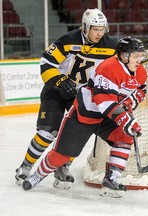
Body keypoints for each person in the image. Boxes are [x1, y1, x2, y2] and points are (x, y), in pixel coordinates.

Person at [21, 36, 147, 198]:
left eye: (140, 56)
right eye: (135, 56)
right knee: (62, 155)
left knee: (124, 137)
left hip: (107, 116)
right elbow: (102, 99)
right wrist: (124, 118)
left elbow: (141, 88)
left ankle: (111, 180)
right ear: (123, 56)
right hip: (85, 113)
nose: (139, 60)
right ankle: (37, 175)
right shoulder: (108, 68)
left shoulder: (140, 71)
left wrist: (130, 101)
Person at [15, 8, 117, 189]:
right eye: (95, 29)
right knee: (47, 133)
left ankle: (62, 167)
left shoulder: (110, 46)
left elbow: (119, 67)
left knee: (76, 133)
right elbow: (46, 63)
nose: (99, 33)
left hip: (79, 96)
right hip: (56, 90)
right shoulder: (67, 41)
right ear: (85, 27)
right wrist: (61, 81)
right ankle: (26, 166)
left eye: (102, 29)